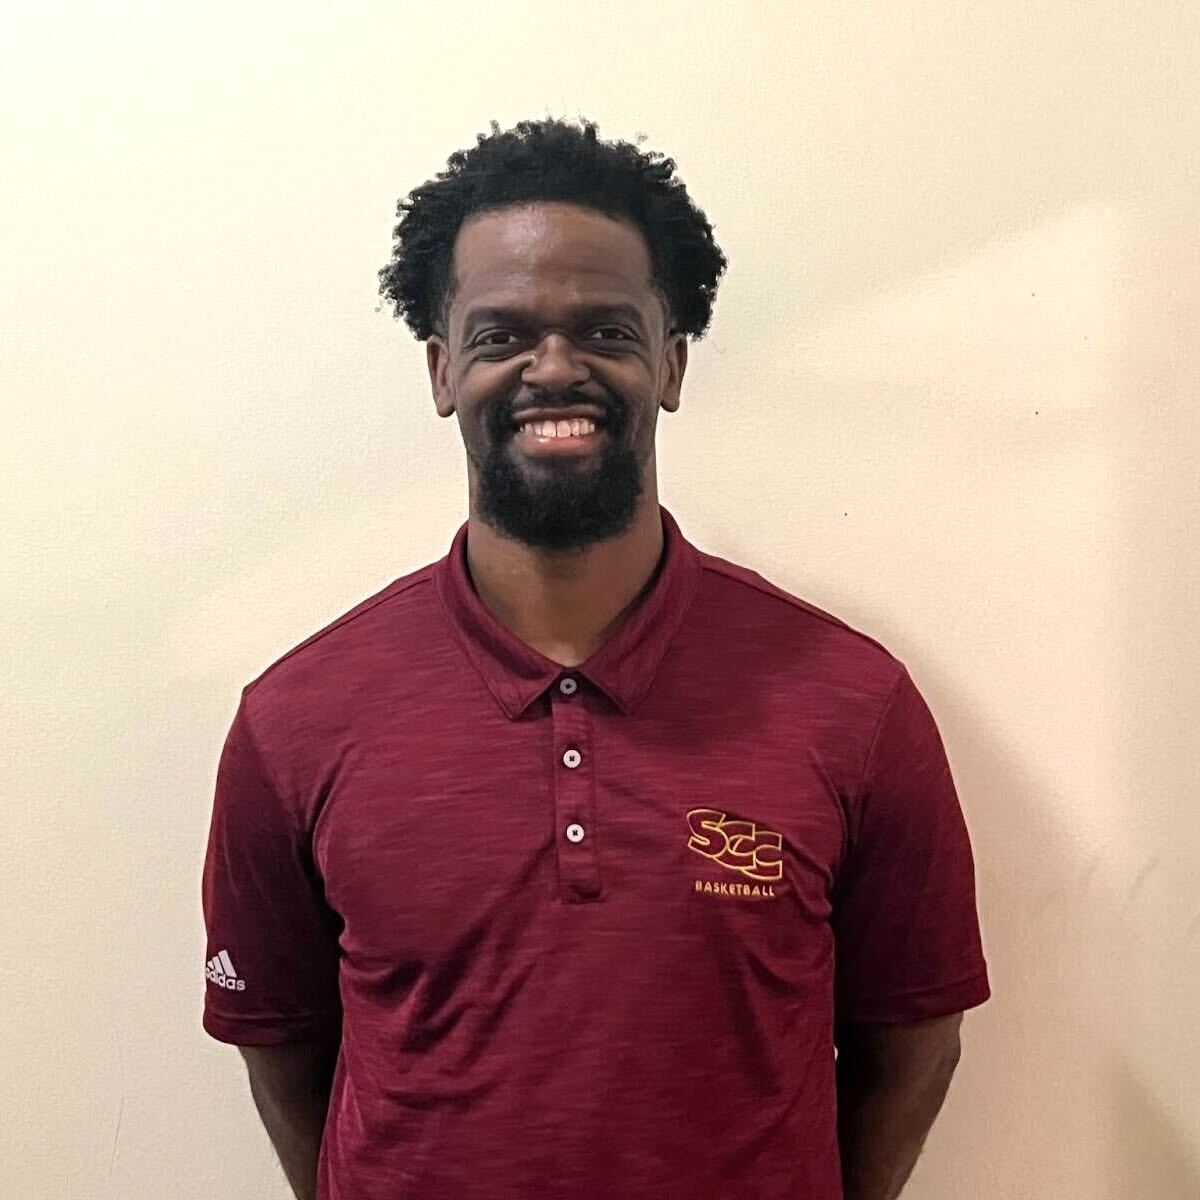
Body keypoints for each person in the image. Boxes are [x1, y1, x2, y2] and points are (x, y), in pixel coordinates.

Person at [201, 115, 991, 1200]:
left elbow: (915, 1042)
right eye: (502, 334)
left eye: (605, 332)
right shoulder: (298, 716)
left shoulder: (852, 703)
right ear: (442, 371)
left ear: (669, 364)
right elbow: (282, 1049)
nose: (554, 368)